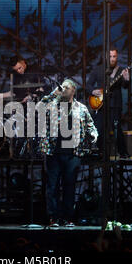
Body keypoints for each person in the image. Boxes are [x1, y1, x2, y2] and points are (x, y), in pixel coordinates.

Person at [37, 79, 98, 227]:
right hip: (54, 152)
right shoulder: (52, 104)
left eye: (66, 88)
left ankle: (67, 217)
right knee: (52, 187)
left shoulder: (81, 108)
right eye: (62, 87)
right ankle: (53, 217)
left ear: (73, 90)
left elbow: (90, 125)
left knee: (69, 187)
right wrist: (53, 94)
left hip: (73, 153)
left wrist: (94, 134)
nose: (63, 89)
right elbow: (38, 107)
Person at [87, 48, 130, 158]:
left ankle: (123, 152)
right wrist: (93, 91)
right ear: (106, 57)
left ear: (117, 57)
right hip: (100, 105)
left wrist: (126, 79)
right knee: (98, 128)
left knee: (117, 129)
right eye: (110, 56)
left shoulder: (120, 71)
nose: (112, 59)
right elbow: (88, 85)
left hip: (115, 104)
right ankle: (98, 151)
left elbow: (125, 86)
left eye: (114, 56)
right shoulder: (97, 70)